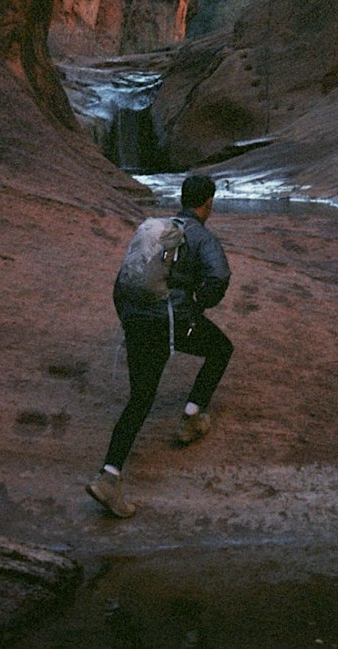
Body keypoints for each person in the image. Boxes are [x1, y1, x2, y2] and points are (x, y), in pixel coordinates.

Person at [85, 173, 233, 519]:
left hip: (138, 319)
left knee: (139, 399)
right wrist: (197, 303)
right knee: (221, 349)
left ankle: (109, 477)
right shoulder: (202, 236)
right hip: (175, 323)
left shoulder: (158, 228)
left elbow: (124, 280)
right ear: (208, 203)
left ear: (182, 198)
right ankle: (193, 416)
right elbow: (220, 276)